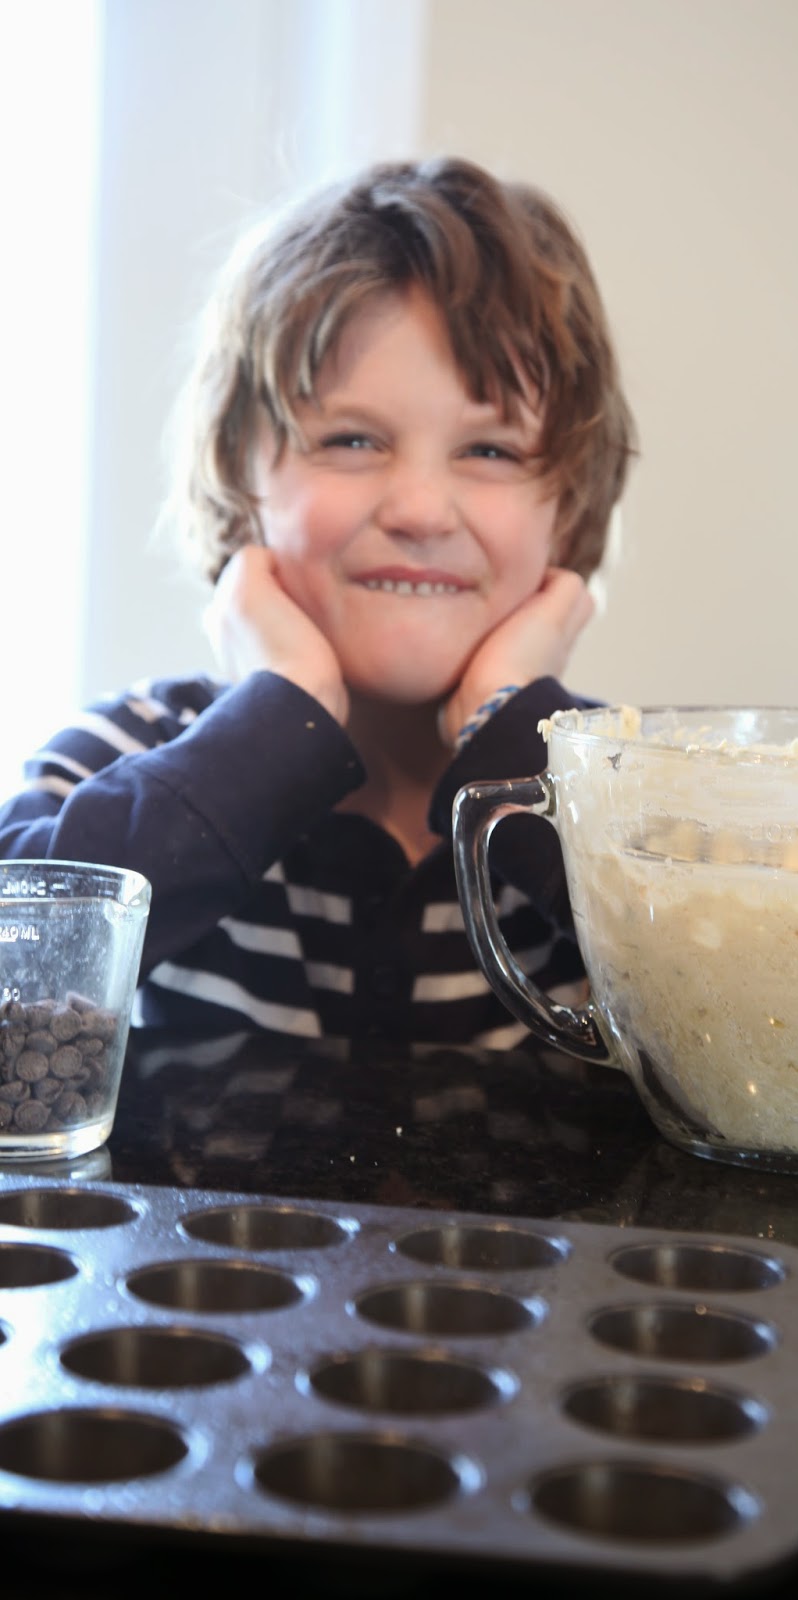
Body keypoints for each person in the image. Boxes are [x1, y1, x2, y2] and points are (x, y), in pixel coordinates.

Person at [0, 155, 636, 1045]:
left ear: (568, 508)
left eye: (490, 451)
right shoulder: (126, 754)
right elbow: (18, 973)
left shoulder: (633, 796)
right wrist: (284, 714)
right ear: (241, 482)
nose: (419, 511)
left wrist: (511, 725)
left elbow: (733, 1024)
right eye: (351, 440)